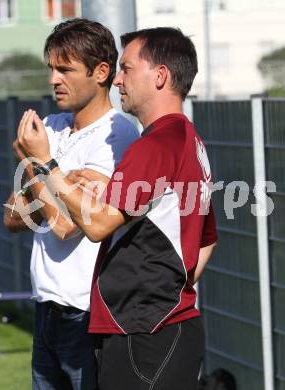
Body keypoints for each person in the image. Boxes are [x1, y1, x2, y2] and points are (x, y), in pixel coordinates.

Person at [17, 27, 218, 390]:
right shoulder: (187, 140)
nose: (118, 80)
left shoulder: (154, 145)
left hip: (142, 331)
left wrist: (44, 163)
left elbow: (94, 225)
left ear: (160, 76)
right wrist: (174, 290)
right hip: (159, 325)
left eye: (126, 69)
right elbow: (207, 240)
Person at [3, 18, 139, 390]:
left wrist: (38, 163)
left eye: (65, 69)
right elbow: (13, 217)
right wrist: (46, 170)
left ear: (100, 72)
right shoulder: (51, 126)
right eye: (51, 69)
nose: (53, 79)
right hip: (45, 307)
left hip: (86, 314)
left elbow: (66, 228)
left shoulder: (118, 136)